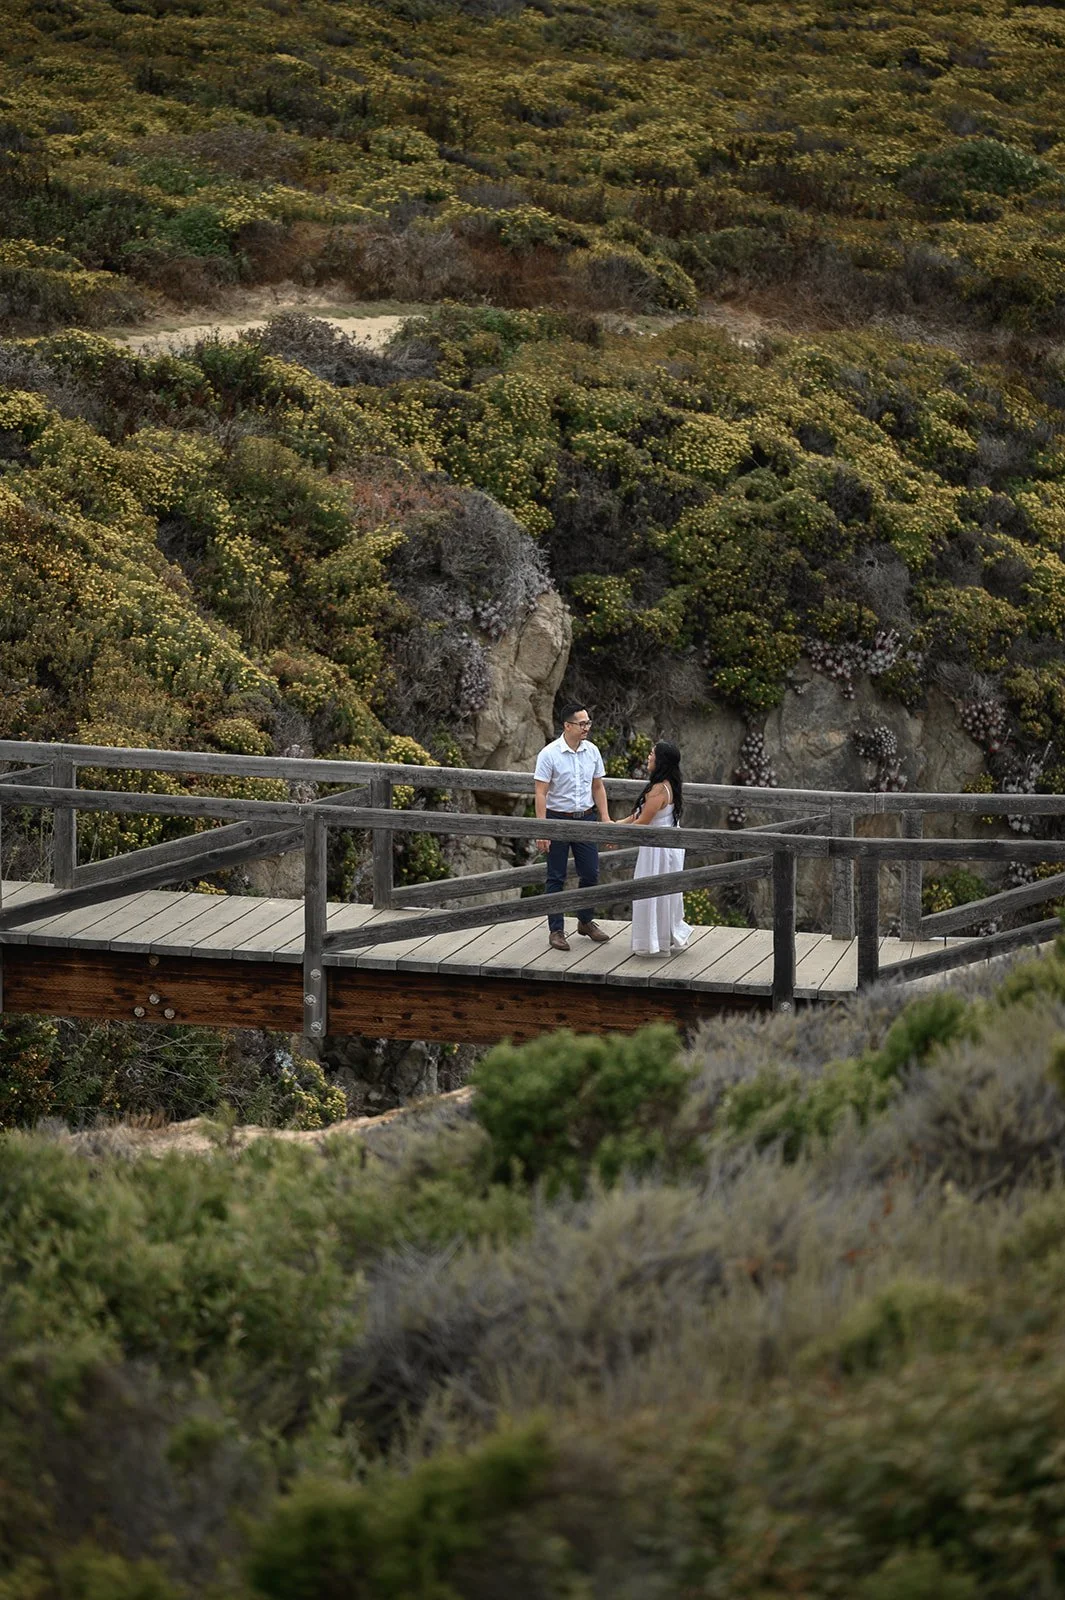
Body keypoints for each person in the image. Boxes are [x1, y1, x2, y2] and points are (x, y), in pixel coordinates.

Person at [533, 702, 612, 951]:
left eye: (588, 722)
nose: (586, 727)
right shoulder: (549, 754)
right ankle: (556, 930)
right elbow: (541, 792)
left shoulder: (592, 751)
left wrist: (606, 819)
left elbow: (598, 786)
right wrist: (542, 828)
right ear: (567, 726)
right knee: (556, 876)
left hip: (586, 818)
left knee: (591, 873)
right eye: (582, 723)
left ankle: (585, 921)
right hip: (557, 819)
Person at [616, 740, 692, 956]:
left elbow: (642, 822)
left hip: (658, 850)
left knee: (652, 893)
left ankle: (654, 942)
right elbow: (637, 816)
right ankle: (661, 938)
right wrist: (614, 826)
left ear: (661, 761)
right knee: (661, 895)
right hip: (666, 847)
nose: (648, 757)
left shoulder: (659, 790)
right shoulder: (667, 785)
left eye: (652, 754)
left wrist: (615, 836)